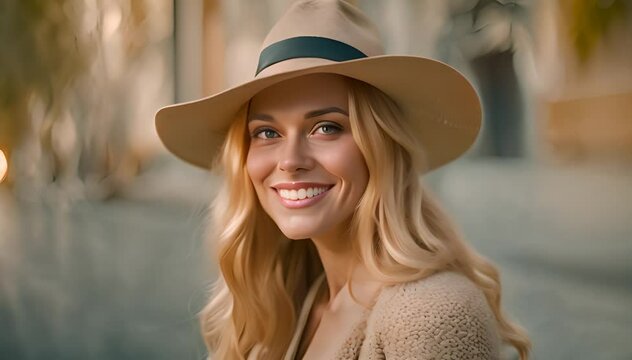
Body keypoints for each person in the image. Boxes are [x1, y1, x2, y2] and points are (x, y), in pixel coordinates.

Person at [155, 0, 531, 359]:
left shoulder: (430, 316)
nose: (290, 161)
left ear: (380, 146)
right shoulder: (292, 301)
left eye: (326, 127)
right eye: (267, 133)